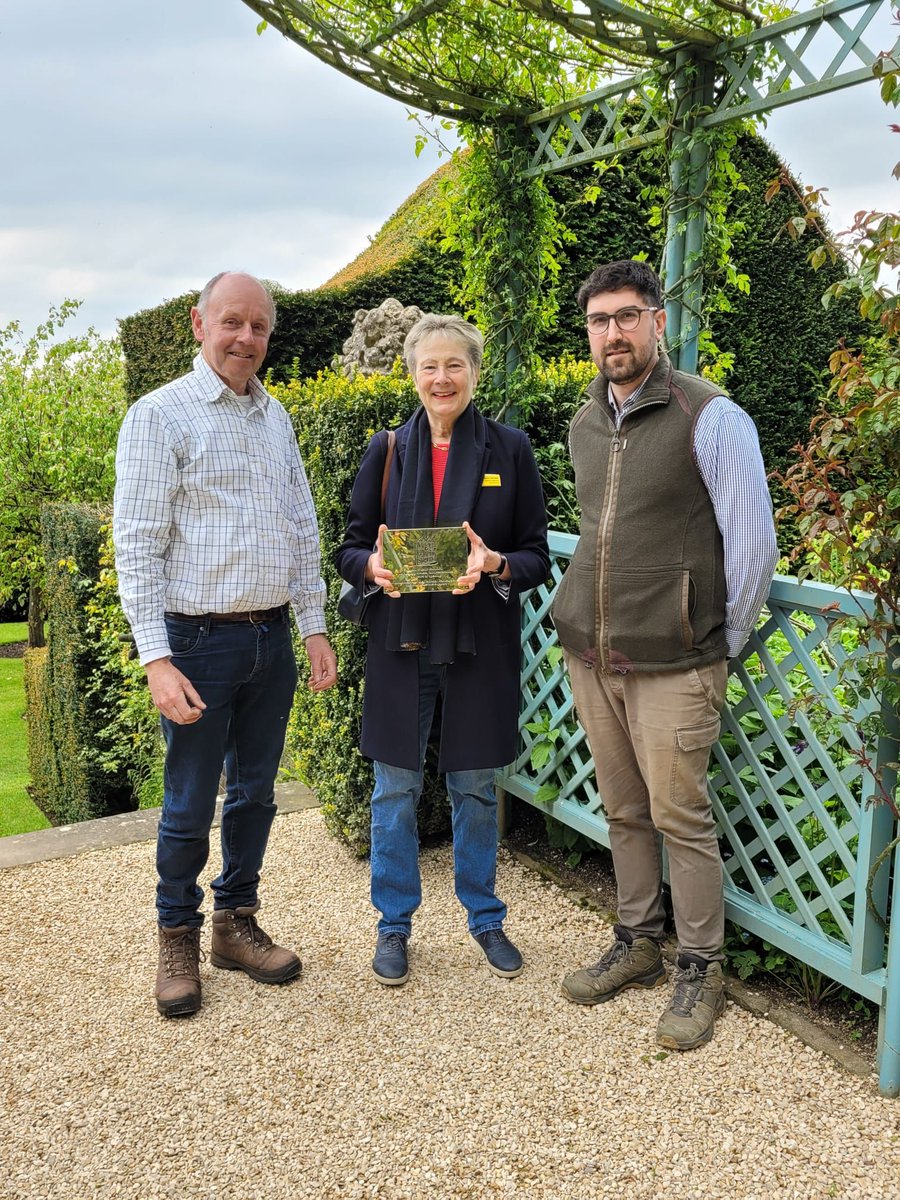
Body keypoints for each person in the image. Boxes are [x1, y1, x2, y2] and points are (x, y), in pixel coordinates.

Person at [553, 259, 778, 1050]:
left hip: (678, 664)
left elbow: (753, 548)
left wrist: (718, 647)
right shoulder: (585, 422)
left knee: (681, 817)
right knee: (624, 811)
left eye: (626, 316)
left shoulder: (710, 416)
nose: (611, 332)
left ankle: (700, 967)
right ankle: (638, 941)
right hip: (594, 655)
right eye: (598, 320)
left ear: (656, 322)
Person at [114, 271, 337, 1018]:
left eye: (260, 328)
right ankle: (175, 933)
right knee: (186, 802)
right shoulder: (159, 416)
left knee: (255, 796)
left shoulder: (275, 418)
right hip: (197, 642)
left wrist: (311, 627)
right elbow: (138, 544)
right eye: (232, 323)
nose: (246, 339)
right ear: (198, 324)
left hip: (268, 640)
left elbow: (301, 528)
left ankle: (234, 923)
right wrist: (156, 658)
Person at [336, 313, 550, 986]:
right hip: (400, 646)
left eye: (455, 364)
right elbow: (347, 546)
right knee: (394, 790)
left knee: (477, 789)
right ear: (412, 374)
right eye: (429, 365)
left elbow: (536, 555)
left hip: (479, 645)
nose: (442, 377)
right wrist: (370, 568)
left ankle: (485, 918)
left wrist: (492, 564)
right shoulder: (387, 449)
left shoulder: (509, 450)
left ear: (475, 373)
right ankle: (393, 926)